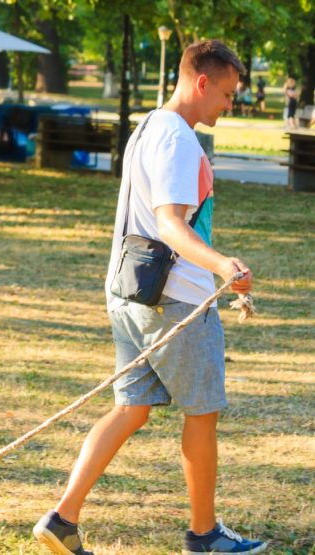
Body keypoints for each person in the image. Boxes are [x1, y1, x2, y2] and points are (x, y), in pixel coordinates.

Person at [32, 40, 261, 555]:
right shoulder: (178, 140)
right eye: (226, 94)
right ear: (201, 83)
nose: (230, 104)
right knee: (202, 415)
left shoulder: (149, 127)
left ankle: (62, 519)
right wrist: (224, 265)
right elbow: (170, 224)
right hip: (175, 300)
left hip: (131, 298)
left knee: (129, 410)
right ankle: (205, 537)